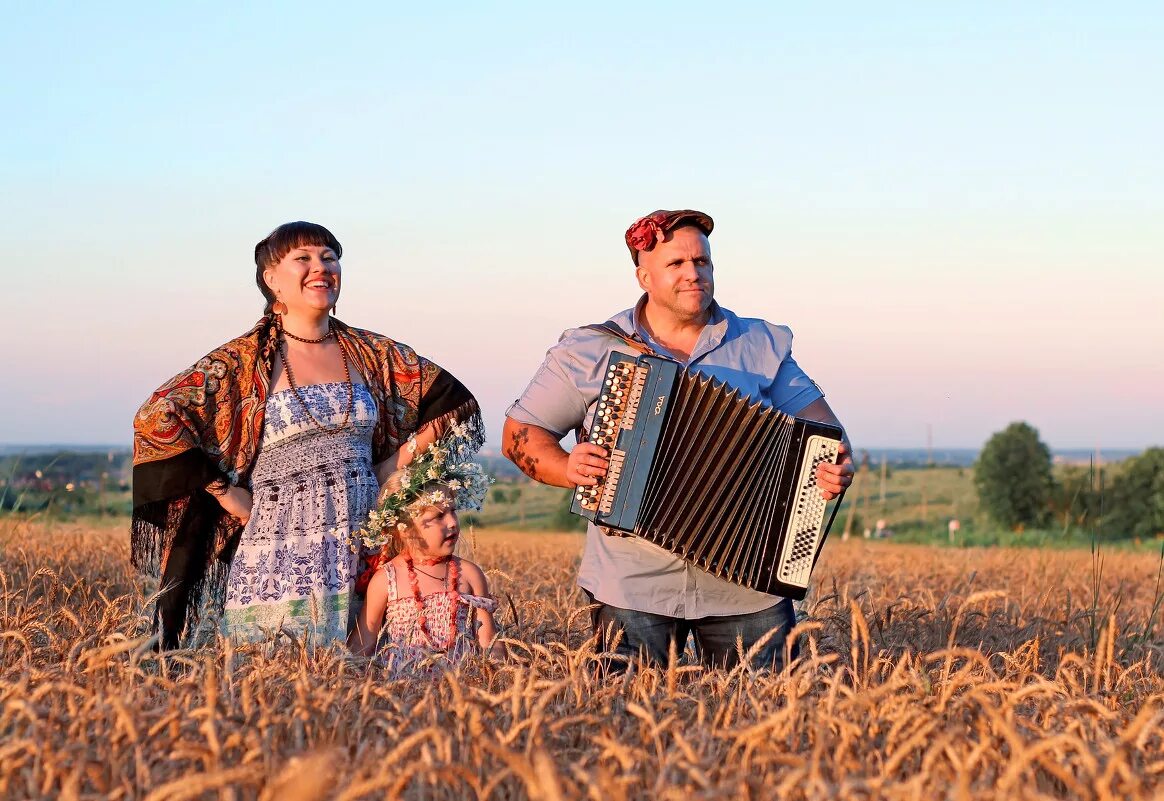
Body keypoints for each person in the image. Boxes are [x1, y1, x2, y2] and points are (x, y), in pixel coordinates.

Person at [502, 208, 853, 671]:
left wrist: (835, 467)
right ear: (643, 275)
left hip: (747, 587)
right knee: (624, 724)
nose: (694, 274)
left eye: (702, 262)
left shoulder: (760, 343)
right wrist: (566, 468)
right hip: (631, 582)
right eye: (676, 264)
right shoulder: (589, 349)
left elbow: (827, 435)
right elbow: (520, 436)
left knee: (763, 722)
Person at [132, 221, 484, 648]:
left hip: (362, 541)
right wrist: (224, 491)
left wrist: (393, 466)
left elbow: (452, 403)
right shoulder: (244, 361)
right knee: (275, 677)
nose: (320, 267)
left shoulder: (372, 353)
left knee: (363, 676)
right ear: (271, 279)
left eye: (329, 257)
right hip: (280, 543)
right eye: (303, 258)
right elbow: (158, 415)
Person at [349, 447, 500, 667]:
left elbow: (489, 642)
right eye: (439, 516)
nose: (452, 522)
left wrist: (504, 677)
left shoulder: (468, 574)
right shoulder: (387, 579)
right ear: (405, 528)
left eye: (453, 511)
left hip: (462, 689)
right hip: (404, 693)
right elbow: (364, 641)